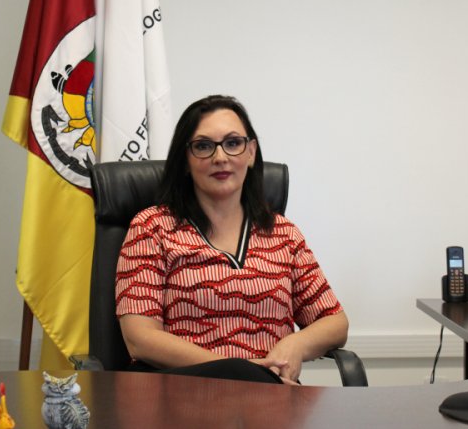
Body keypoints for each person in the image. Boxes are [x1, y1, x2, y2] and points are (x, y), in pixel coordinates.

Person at [115, 95, 348, 385]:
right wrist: (245, 370)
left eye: (233, 143)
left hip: (270, 396)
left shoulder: (283, 234)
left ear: (251, 153)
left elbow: (335, 323)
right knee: (244, 377)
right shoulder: (153, 227)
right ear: (185, 160)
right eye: (203, 146)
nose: (220, 157)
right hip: (183, 390)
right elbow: (140, 339)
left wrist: (295, 344)